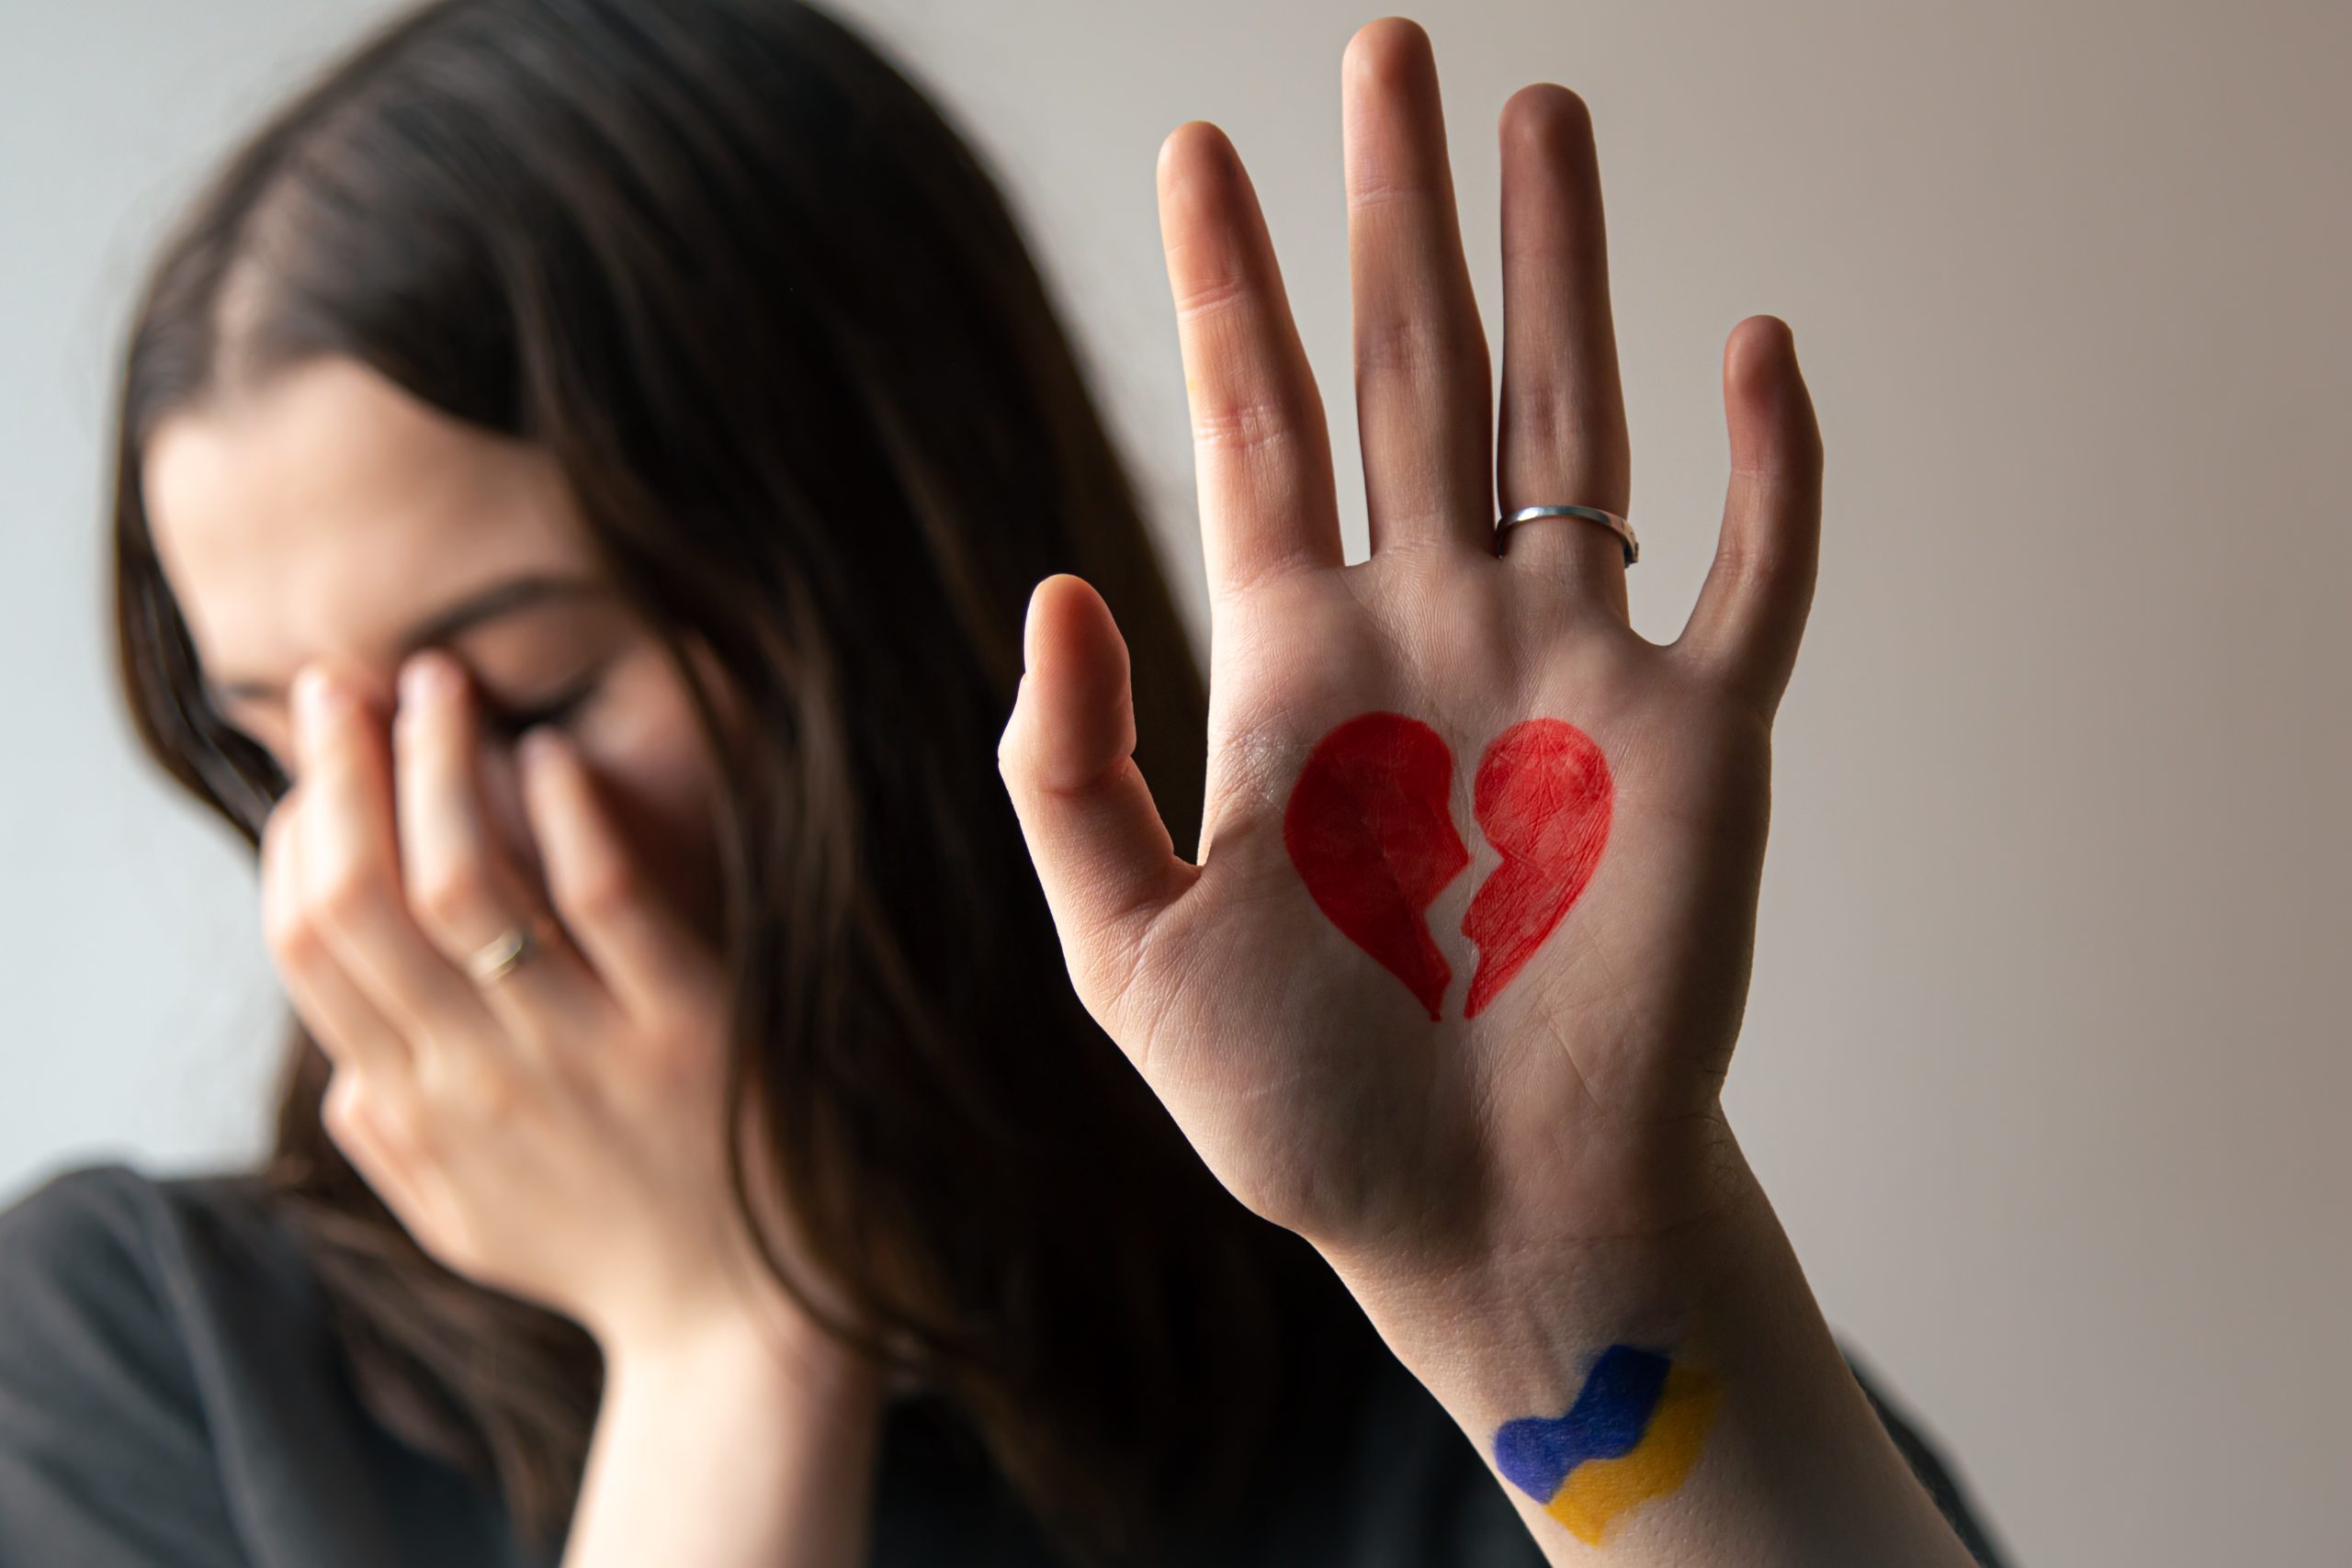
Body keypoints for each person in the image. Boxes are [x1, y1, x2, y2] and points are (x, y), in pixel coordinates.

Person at [0, 2, 2011, 1564]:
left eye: (514, 698)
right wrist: (721, 1335)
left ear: (890, 590)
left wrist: (1568, 1269)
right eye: (279, 741)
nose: (370, 872)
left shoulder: (1450, 1388)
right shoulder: (130, 1361)